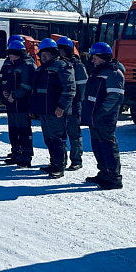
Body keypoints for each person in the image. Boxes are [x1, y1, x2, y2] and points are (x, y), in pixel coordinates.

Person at [30, 38, 76, 179]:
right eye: (42, 54)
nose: (44, 57)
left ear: (54, 53)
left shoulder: (62, 66)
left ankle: (59, 166)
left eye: (47, 54)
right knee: (49, 138)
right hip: (44, 111)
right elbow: (35, 90)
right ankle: (53, 162)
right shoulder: (41, 69)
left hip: (56, 111)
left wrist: (61, 106)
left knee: (57, 138)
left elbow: (69, 89)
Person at [82, 42, 125, 190]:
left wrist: (100, 112)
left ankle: (114, 178)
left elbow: (114, 97)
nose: (92, 60)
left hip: (104, 118)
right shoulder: (98, 71)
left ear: (103, 57)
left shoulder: (113, 73)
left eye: (94, 57)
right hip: (95, 118)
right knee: (97, 145)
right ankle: (104, 172)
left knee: (107, 146)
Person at [0, 39, 36, 167]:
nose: (10, 57)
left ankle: (26, 156)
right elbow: (7, 82)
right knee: (13, 130)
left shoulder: (27, 65)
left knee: (24, 130)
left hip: (22, 105)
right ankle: (16, 153)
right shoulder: (13, 65)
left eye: (12, 54)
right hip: (12, 105)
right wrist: (5, 92)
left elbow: (26, 85)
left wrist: (14, 95)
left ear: (18, 54)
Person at [57, 37, 88, 171]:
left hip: (74, 105)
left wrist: (77, 104)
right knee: (60, 134)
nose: (59, 52)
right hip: (61, 104)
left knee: (74, 133)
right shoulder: (58, 64)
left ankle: (76, 160)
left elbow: (82, 88)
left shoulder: (77, 65)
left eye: (61, 50)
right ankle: (61, 160)